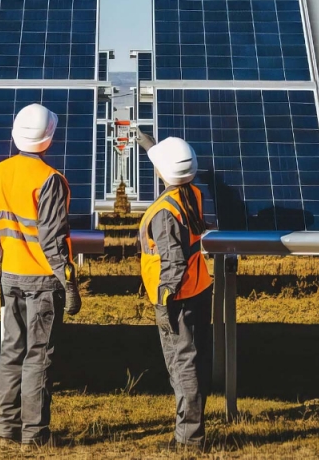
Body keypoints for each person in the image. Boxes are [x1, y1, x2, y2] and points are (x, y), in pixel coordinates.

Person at [0, 103, 82, 446]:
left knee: (11, 351)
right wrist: (69, 283)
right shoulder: (50, 179)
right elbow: (53, 241)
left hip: (10, 276)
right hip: (42, 282)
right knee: (38, 357)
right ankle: (35, 434)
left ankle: (7, 427)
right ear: (49, 138)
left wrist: (5, 261)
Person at [138, 135, 213, 450]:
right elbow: (173, 168)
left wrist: (165, 299)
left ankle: (189, 439)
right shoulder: (191, 192)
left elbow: (173, 261)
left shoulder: (164, 211)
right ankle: (190, 431)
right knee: (193, 360)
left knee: (182, 365)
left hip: (177, 299)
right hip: (198, 288)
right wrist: (151, 147)